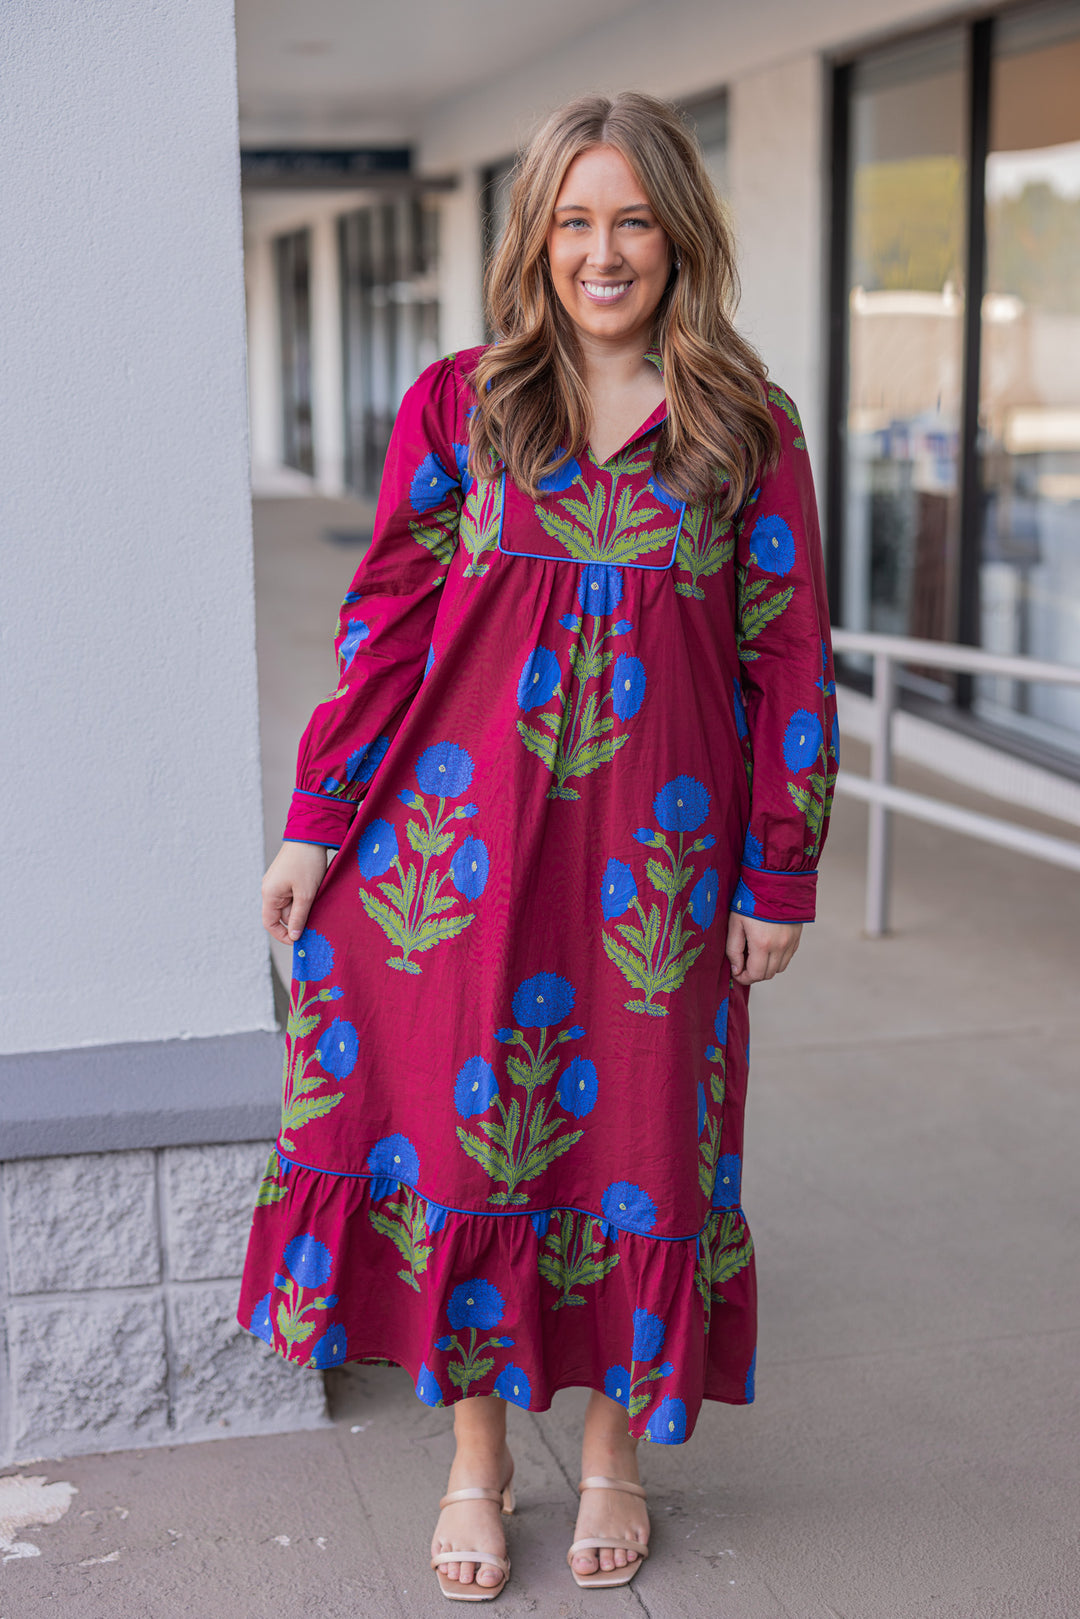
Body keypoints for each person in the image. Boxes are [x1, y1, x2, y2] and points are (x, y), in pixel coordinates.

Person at [238, 90, 837, 1602]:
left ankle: (619, 1456)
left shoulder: (746, 428)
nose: (603, 250)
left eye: (632, 217)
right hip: (460, 864)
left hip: (661, 871)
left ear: (679, 233)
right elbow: (383, 628)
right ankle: (477, 1465)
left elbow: (791, 663)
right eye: (575, 220)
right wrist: (319, 823)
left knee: (642, 1153)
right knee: (459, 1145)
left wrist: (779, 865)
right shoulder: (463, 405)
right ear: (536, 240)